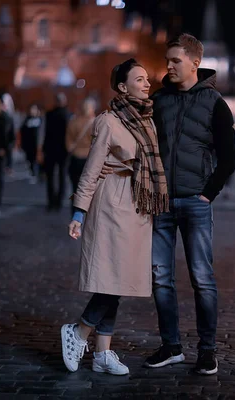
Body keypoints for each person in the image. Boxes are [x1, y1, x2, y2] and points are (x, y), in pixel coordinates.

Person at [101, 34, 235, 375]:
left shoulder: (215, 102)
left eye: (176, 60)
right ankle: (171, 346)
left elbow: (229, 156)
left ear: (194, 62)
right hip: (160, 202)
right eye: (168, 60)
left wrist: (209, 193)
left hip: (195, 201)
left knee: (202, 277)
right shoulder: (158, 100)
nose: (169, 66)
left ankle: (207, 349)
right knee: (161, 279)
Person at [62, 59, 169, 376]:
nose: (147, 83)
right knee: (113, 277)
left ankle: (102, 353)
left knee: (118, 280)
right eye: (140, 79)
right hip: (111, 203)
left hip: (138, 206)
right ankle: (79, 331)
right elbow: (92, 170)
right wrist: (78, 212)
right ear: (123, 87)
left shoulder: (146, 120)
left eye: (147, 78)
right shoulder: (108, 122)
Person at [43, 93, 71, 211]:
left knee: (51, 177)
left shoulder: (49, 114)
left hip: (50, 149)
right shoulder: (68, 115)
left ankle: (51, 201)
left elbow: (44, 132)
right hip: (63, 150)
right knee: (62, 176)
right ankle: (58, 201)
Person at [66, 98, 96, 196]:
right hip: (90, 159)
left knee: (75, 188)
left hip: (76, 157)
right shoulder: (97, 123)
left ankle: (75, 209)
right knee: (90, 190)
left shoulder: (73, 122)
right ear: (92, 109)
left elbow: (68, 143)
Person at [20, 104, 42, 182]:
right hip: (29, 145)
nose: (32, 111)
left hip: (38, 145)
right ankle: (33, 172)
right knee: (30, 159)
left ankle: (39, 173)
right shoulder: (26, 120)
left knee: (38, 160)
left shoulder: (40, 120)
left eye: (34, 109)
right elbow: (22, 132)